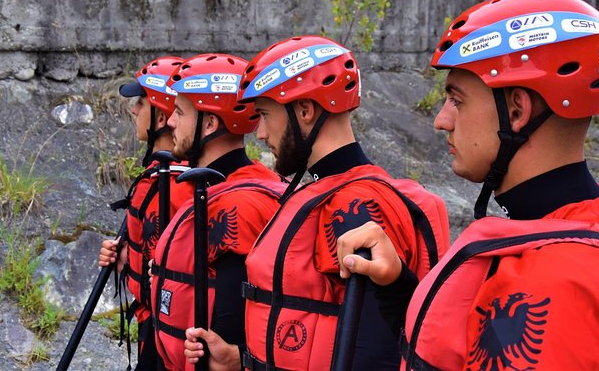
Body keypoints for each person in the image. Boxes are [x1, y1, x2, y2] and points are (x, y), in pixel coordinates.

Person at [336, 0, 599, 370]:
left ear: (516, 111)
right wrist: (397, 284)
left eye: (457, 100)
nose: (441, 120)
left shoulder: (558, 285)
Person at [184, 35, 450, 370]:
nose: (261, 133)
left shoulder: (356, 202)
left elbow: (374, 355)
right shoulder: (328, 190)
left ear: (305, 110)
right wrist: (239, 360)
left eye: (265, 115)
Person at [149, 53, 286, 371]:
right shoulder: (220, 187)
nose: (170, 122)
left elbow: (226, 337)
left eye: (180, 113)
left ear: (209, 123)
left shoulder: (239, 204)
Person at [97, 56, 194, 370]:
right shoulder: (153, 180)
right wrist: (127, 260)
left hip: (167, 333)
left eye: (141, 102)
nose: (133, 109)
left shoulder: (178, 185)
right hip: (150, 324)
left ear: (163, 115)